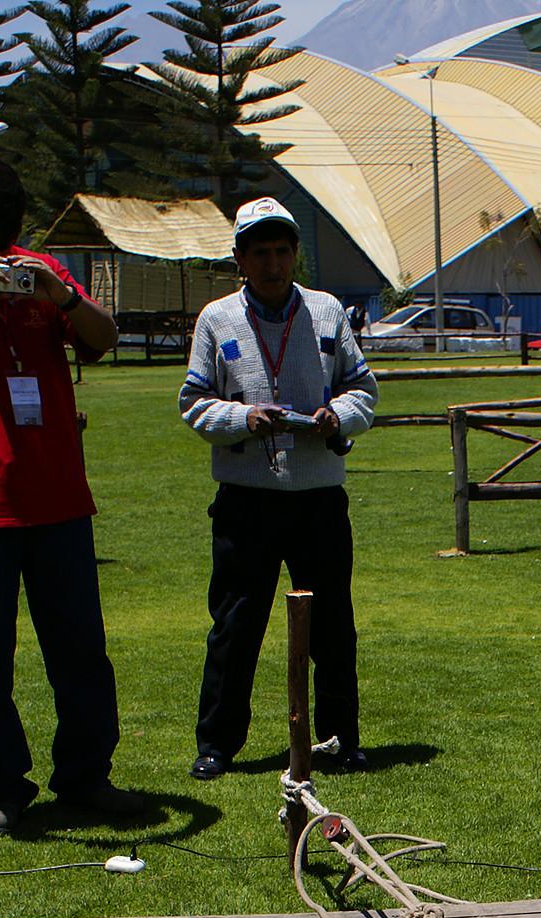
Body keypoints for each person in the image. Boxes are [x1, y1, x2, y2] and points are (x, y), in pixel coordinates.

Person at [0, 155, 142, 835]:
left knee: (80, 649)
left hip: (59, 500)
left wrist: (60, 296)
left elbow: (104, 337)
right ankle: (2, 789)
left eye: (5, 237)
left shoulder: (39, 270)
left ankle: (85, 777)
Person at [179, 197, 379, 780]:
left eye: (282, 250)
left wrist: (338, 416)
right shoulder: (216, 319)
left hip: (318, 497)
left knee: (333, 624)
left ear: (295, 254)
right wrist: (243, 419)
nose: (273, 263)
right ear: (240, 258)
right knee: (236, 624)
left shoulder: (326, 311)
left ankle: (341, 739)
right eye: (260, 252)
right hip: (247, 500)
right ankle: (217, 745)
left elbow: (363, 389)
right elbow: (193, 403)